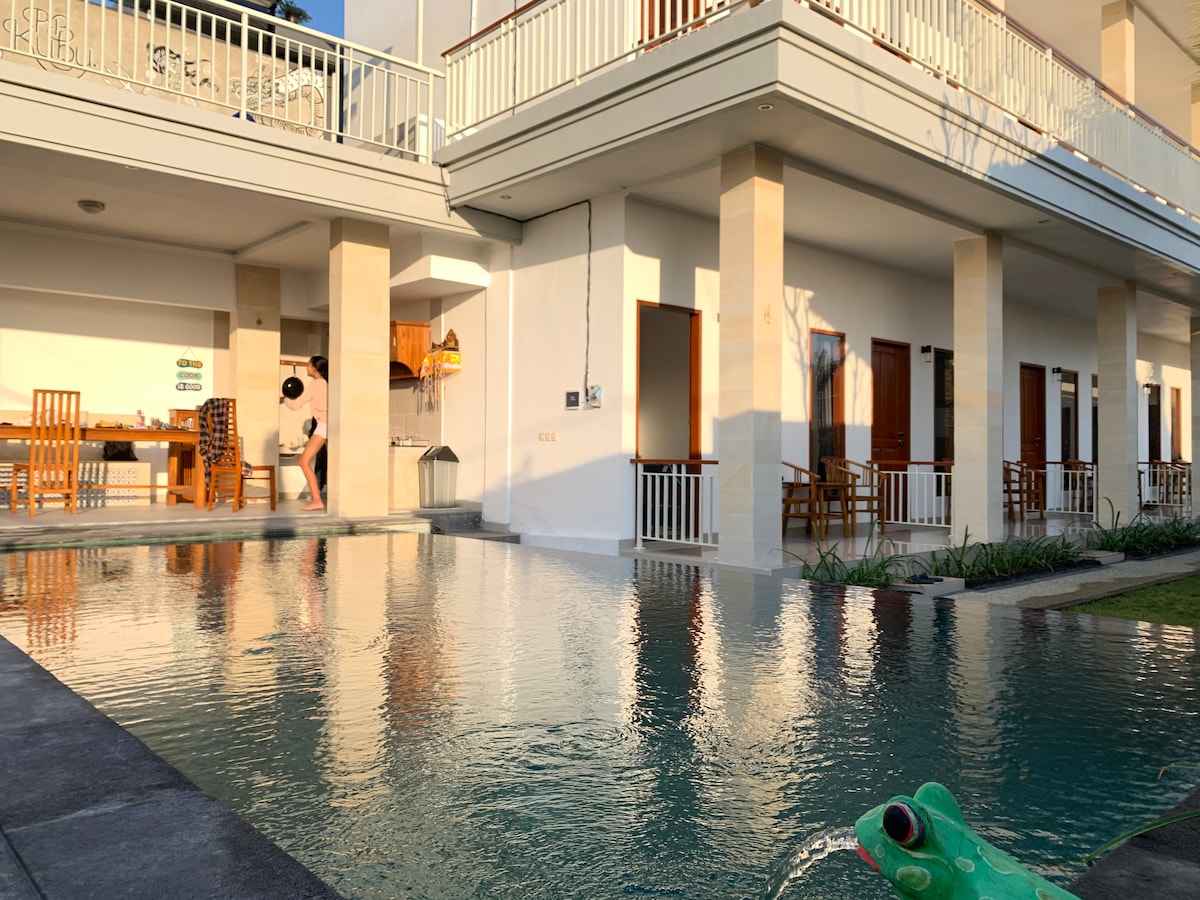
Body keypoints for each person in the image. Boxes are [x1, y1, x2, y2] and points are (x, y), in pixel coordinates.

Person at [281, 355, 328, 511]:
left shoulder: (316, 384)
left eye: (308, 365)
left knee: (303, 461)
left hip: (324, 426)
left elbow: (296, 405)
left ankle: (317, 500)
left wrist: (284, 399)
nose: (307, 367)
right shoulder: (327, 383)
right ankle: (317, 499)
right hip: (329, 425)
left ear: (314, 368)